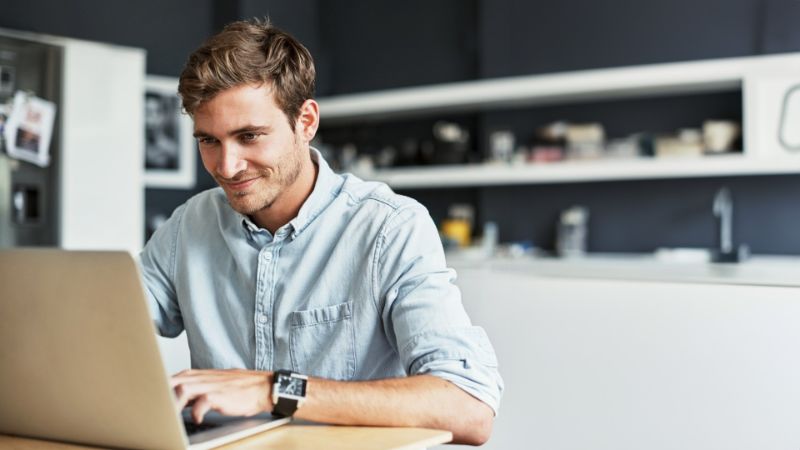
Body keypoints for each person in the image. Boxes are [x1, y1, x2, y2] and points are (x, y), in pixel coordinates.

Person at [139, 18, 503, 445]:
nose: (226, 166)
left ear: (306, 121)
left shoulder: (389, 227)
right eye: (209, 141)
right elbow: (108, 326)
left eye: (250, 136)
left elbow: (469, 406)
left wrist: (274, 390)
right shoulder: (189, 225)